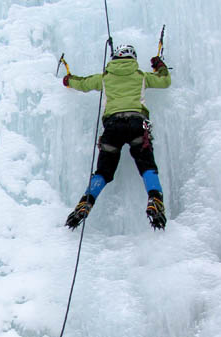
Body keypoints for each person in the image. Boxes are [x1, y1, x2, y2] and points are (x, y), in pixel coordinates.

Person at [62, 44, 171, 230]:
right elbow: (164, 80)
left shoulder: (105, 78)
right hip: (138, 124)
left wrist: (68, 79)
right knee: (147, 166)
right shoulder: (141, 76)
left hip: (113, 127)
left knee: (104, 171)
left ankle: (86, 201)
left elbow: (83, 83)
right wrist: (159, 64)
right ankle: (154, 198)